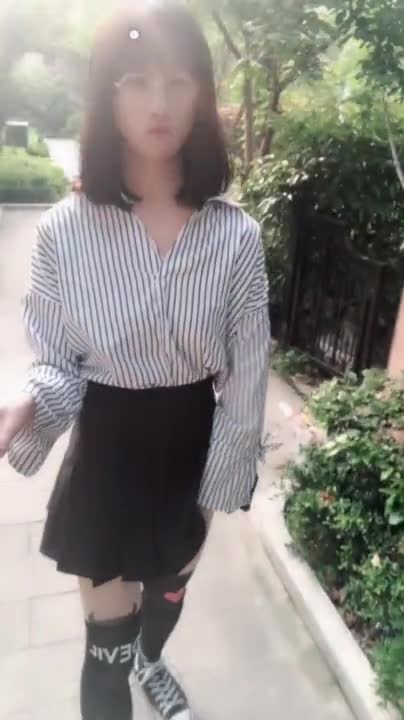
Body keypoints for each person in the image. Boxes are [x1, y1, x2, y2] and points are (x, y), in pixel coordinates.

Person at [0, 2, 270, 719]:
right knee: (104, 649)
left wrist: (216, 492)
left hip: (191, 449)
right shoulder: (64, 233)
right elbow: (59, 362)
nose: (159, 104)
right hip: (107, 454)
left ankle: (155, 659)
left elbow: (247, 382)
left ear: (201, 94)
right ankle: (132, 663)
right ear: (106, 93)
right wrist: (27, 401)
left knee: (168, 592)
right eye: (136, 81)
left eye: (178, 81)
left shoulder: (236, 239)